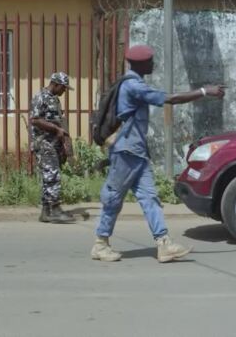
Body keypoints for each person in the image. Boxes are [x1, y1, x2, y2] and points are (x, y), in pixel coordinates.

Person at [91, 45, 226, 263]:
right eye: (150, 61)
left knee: (149, 197)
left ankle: (164, 244)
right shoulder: (133, 86)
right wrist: (204, 91)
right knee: (114, 198)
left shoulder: (134, 83)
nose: (153, 64)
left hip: (137, 153)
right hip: (126, 151)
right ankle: (100, 244)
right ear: (140, 64)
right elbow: (169, 99)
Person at [30, 72, 76, 224]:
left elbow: (58, 121)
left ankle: (45, 212)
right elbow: (35, 120)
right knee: (52, 175)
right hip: (44, 143)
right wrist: (56, 130)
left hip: (54, 143)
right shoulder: (40, 97)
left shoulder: (54, 99)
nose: (64, 91)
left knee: (49, 177)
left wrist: (64, 143)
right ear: (55, 84)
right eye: (63, 88)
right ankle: (55, 210)